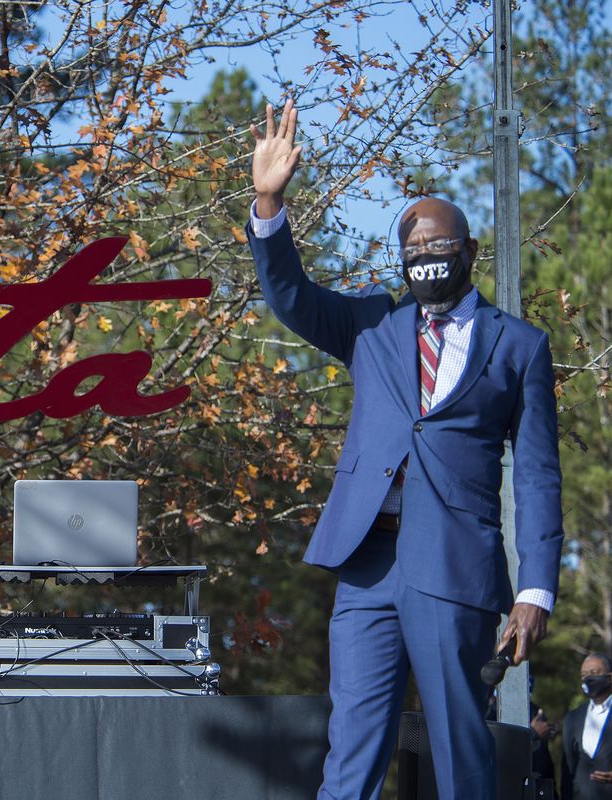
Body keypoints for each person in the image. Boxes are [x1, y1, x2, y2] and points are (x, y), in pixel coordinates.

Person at [246, 99, 563, 799]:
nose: (425, 260)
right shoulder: (370, 325)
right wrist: (269, 204)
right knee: (351, 751)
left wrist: (536, 587)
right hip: (366, 566)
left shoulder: (519, 347)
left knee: (460, 754)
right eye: (412, 252)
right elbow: (293, 295)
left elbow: (539, 475)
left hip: (454, 566)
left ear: (470, 251)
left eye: (438, 249)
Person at [562, 653, 612, 799]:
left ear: (611, 677)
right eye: (584, 674)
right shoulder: (572, 718)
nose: (588, 678)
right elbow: (567, 771)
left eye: (594, 673)